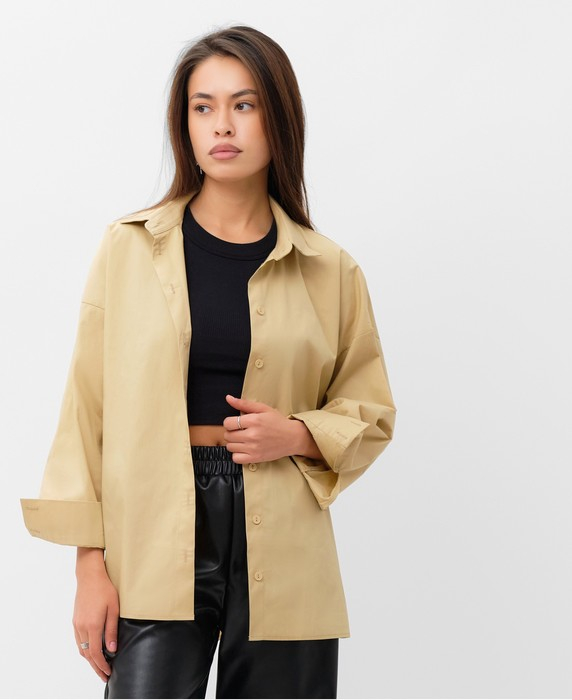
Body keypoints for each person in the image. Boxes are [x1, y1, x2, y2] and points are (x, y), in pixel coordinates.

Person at [20, 24, 396, 699]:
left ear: (279, 118)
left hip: (285, 533)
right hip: (152, 529)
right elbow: (86, 411)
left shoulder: (329, 269)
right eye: (203, 106)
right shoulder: (129, 249)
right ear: (185, 124)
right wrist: (89, 568)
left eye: (244, 104)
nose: (222, 125)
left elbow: (370, 411)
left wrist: (298, 433)